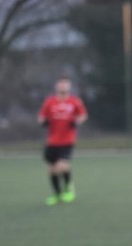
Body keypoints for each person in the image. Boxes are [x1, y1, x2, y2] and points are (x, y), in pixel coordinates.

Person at [37, 76, 88, 206]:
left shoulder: (74, 101)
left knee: (62, 165)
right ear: (56, 86)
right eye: (61, 84)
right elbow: (41, 117)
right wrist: (43, 121)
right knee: (52, 169)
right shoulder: (50, 102)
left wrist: (77, 121)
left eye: (65, 84)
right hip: (52, 141)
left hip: (67, 140)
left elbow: (83, 115)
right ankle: (57, 195)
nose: (63, 86)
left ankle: (69, 190)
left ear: (69, 87)